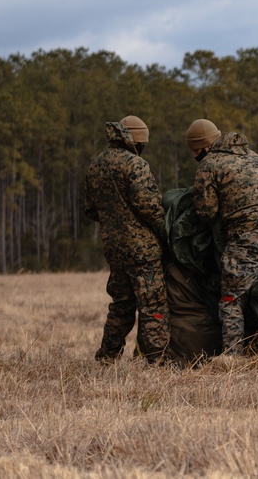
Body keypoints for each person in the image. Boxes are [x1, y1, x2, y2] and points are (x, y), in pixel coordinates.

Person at [185, 119, 258, 355]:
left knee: (231, 299)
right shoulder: (257, 158)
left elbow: (206, 213)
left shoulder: (210, 165)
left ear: (204, 147)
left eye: (195, 151)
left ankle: (233, 358)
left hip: (250, 238)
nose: (196, 155)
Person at [84, 115, 170, 364]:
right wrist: (168, 232)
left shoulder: (97, 164)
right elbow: (151, 208)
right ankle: (156, 361)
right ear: (137, 140)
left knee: (121, 304)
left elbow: (90, 210)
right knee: (152, 307)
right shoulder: (135, 165)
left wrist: (115, 221)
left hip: (114, 249)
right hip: (143, 251)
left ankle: (106, 358)